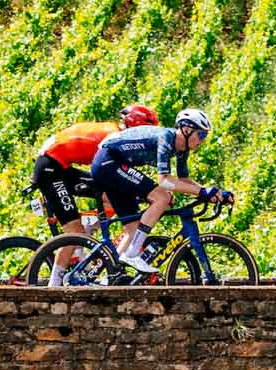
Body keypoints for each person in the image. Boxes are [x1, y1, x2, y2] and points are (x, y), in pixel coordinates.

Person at [90, 108, 231, 276]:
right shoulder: (166, 138)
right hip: (108, 161)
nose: (203, 140)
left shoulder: (181, 149)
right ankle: (133, 255)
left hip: (114, 165)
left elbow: (184, 180)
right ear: (186, 130)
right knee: (162, 197)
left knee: (134, 228)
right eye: (201, 135)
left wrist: (215, 194)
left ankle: (111, 276)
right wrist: (201, 192)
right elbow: (164, 180)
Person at [34, 105, 160, 285]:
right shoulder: (113, 137)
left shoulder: (117, 134)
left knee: (109, 199)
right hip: (50, 169)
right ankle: (54, 284)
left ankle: (86, 236)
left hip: (61, 166)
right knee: (73, 230)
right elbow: (118, 175)